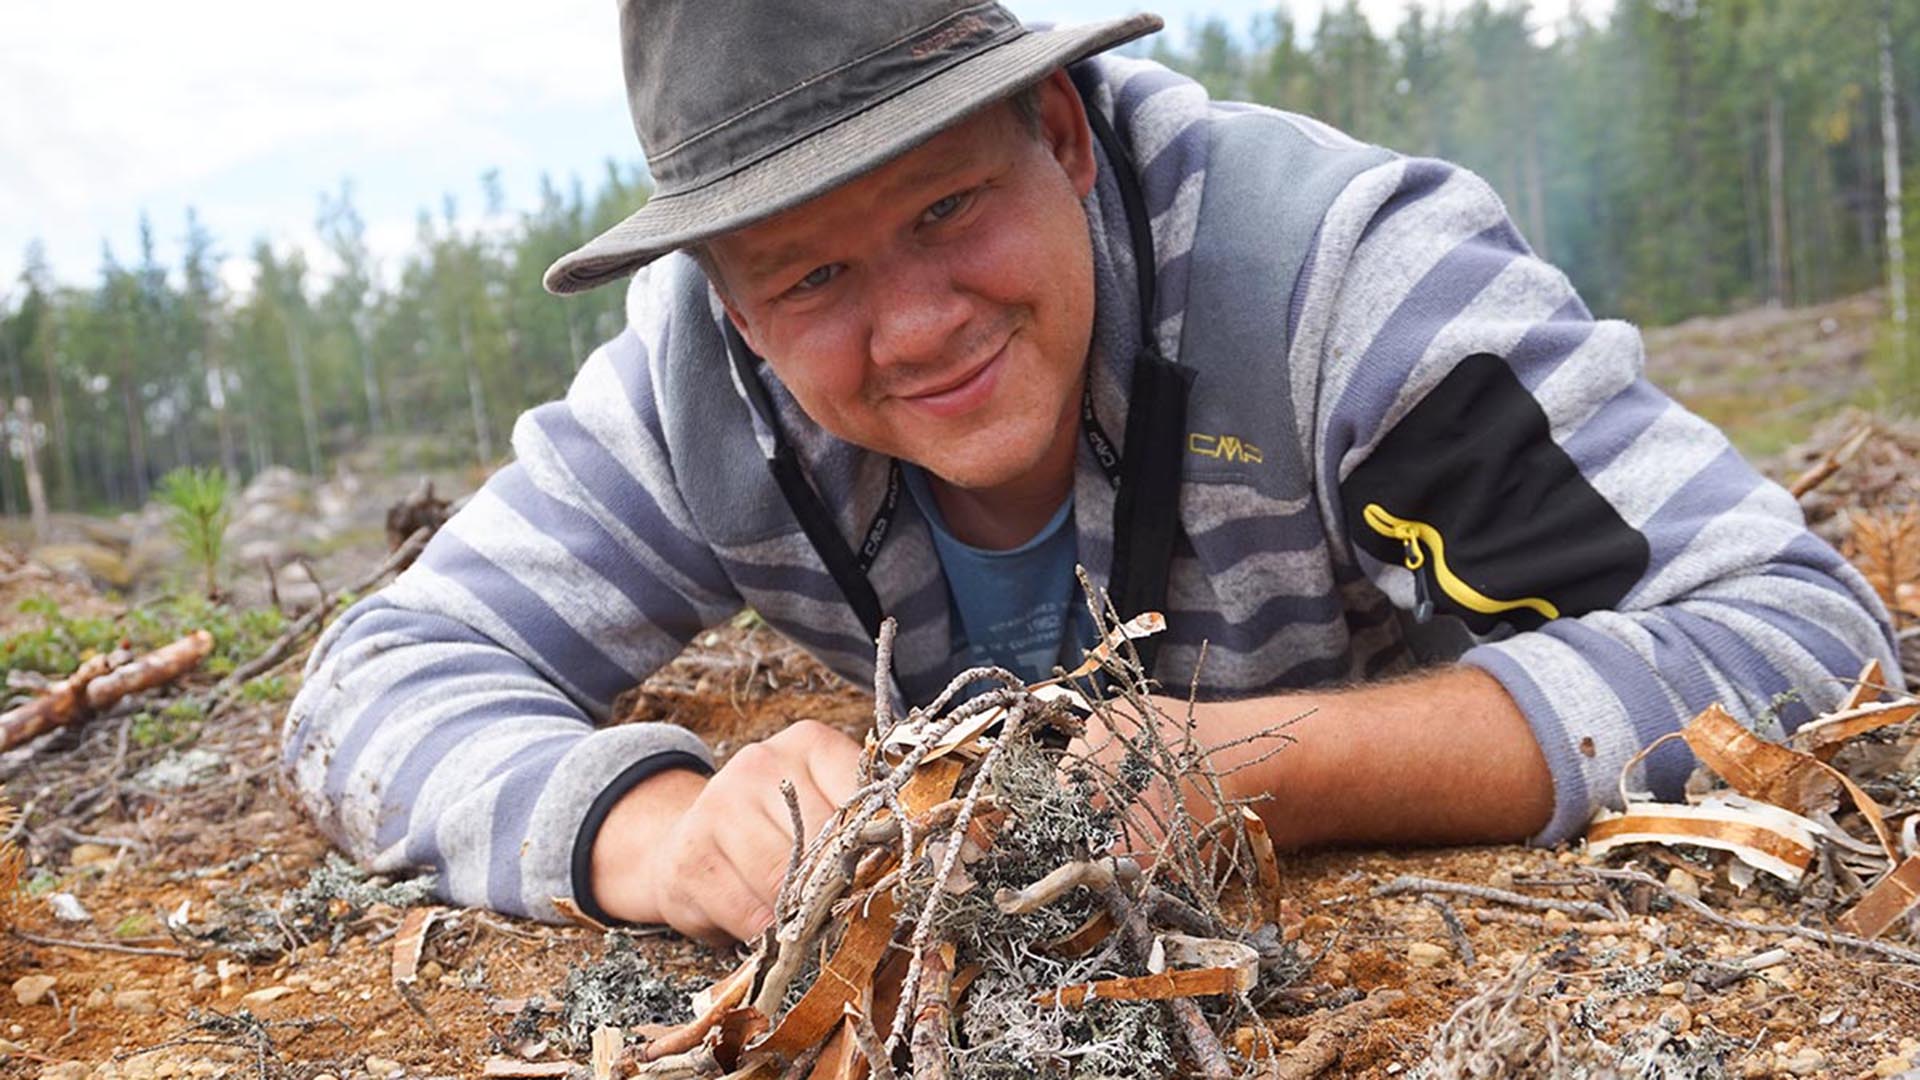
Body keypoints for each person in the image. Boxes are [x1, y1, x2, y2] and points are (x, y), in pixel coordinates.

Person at [283, 0, 1900, 944]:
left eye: (940, 210)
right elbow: (377, 683)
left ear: (1058, 131)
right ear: (732, 303)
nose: (916, 329)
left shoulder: (1332, 283)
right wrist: (653, 831)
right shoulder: (699, 401)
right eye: (811, 278)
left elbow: (1799, 635)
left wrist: (1262, 761)